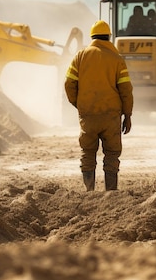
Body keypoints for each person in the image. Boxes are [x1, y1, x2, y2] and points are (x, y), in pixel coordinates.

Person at [64, 20, 134, 191]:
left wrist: (80, 104)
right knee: (111, 154)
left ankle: (89, 192)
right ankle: (111, 192)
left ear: (92, 37)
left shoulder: (80, 57)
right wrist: (128, 114)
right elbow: (126, 89)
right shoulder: (117, 60)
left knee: (87, 153)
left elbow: (68, 83)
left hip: (88, 114)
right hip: (111, 116)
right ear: (109, 37)